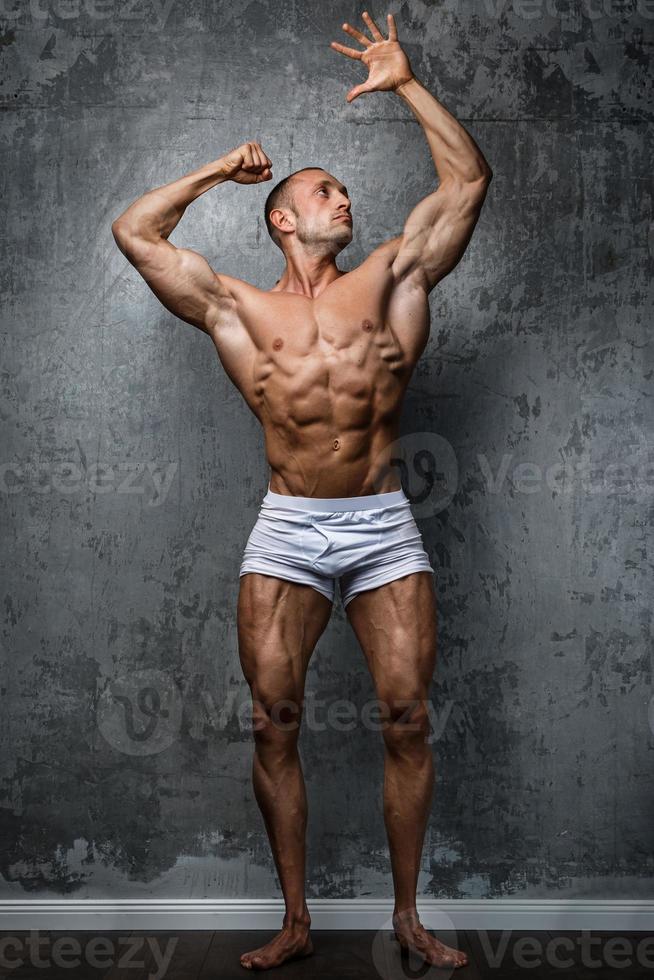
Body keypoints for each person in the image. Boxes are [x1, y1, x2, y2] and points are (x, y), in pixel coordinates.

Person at [111, 10, 491, 971]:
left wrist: (404, 83)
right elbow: (135, 232)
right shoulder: (238, 307)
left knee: (406, 715)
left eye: (347, 191)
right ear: (284, 216)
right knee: (272, 719)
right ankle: (295, 919)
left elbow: (468, 182)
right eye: (327, 191)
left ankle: (407, 918)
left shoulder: (394, 277)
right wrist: (212, 173)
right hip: (287, 529)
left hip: (381, 523)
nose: (345, 200)